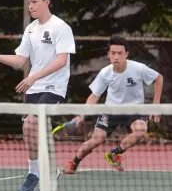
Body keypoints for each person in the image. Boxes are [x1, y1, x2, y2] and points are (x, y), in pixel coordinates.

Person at [0, 0, 75, 191]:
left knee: (31, 122)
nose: (31, 6)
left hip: (54, 87)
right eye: (29, 2)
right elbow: (20, 61)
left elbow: (61, 61)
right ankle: (37, 173)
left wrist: (33, 76)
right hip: (34, 87)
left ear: (47, 2)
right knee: (29, 129)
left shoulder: (61, 27)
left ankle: (40, 172)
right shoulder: (30, 29)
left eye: (35, 2)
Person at [63, 36, 163, 174]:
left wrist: (156, 104)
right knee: (97, 139)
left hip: (134, 110)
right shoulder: (105, 73)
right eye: (113, 53)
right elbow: (94, 96)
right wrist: (82, 116)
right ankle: (74, 162)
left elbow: (158, 78)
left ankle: (115, 153)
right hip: (111, 109)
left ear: (126, 54)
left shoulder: (138, 69)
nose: (116, 56)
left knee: (140, 130)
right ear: (109, 54)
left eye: (120, 53)